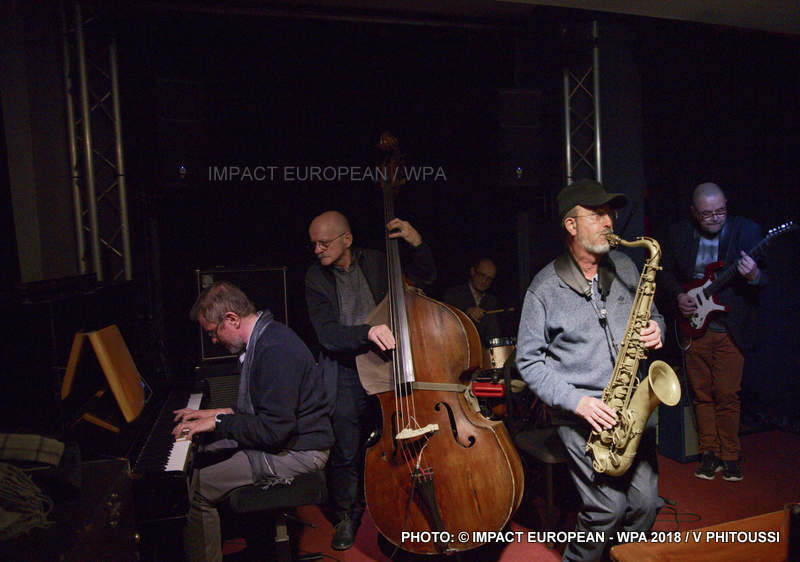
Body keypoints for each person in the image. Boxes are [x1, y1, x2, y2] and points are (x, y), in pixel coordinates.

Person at [516, 178, 665, 561]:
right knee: (606, 510)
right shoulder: (543, 289)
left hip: (630, 411)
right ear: (571, 225)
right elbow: (528, 361)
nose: (609, 221)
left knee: (646, 505)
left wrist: (657, 329)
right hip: (582, 416)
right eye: (596, 214)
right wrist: (577, 402)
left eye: (609, 213)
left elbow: (655, 314)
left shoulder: (627, 267)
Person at [173, 281, 334, 562]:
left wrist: (220, 422)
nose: (213, 341)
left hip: (302, 452)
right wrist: (217, 413)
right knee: (203, 455)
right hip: (287, 440)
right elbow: (265, 408)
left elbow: (273, 431)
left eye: (213, 332)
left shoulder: (275, 349)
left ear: (232, 319)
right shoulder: (265, 338)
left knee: (195, 489)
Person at [304, 210, 436, 550]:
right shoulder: (315, 277)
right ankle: (346, 516)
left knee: (396, 441)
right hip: (345, 369)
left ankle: (397, 508)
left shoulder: (378, 261)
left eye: (324, 243)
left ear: (346, 239)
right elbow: (326, 334)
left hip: (386, 365)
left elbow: (425, 278)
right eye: (314, 244)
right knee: (346, 450)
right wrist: (367, 332)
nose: (317, 250)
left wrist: (416, 243)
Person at [659, 182, 766, 482]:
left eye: (721, 211)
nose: (716, 218)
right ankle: (709, 454)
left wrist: (754, 274)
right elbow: (664, 272)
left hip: (730, 327)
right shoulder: (679, 233)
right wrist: (678, 296)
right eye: (708, 214)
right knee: (701, 395)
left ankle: (730, 456)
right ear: (694, 212)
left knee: (728, 395)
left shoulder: (746, 231)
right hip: (694, 325)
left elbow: (766, 279)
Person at [442, 257, 503, 346]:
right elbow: (445, 322)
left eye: (489, 279)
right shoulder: (454, 294)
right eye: (482, 275)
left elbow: (493, 335)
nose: (484, 281)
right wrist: (466, 311)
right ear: (472, 271)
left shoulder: (491, 300)